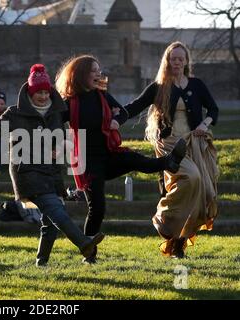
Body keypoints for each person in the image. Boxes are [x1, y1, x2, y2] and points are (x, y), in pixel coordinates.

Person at [55, 54, 187, 264]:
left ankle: (169, 162)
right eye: (94, 71)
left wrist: (116, 120)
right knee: (97, 208)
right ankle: (90, 254)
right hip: (88, 163)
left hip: (109, 154)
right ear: (81, 75)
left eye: (99, 70)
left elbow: (124, 111)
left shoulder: (102, 96)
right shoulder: (69, 103)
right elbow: (52, 123)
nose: (99, 74)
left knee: (136, 159)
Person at [0, 64, 106, 266]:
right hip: (27, 172)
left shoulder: (55, 112)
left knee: (50, 221)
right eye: (39, 92)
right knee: (55, 210)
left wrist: (58, 148)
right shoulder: (14, 113)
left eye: (46, 92)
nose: (43, 96)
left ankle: (41, 262)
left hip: (50, 172)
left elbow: (61, 137)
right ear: (30, 92)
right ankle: (83, 243)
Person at [117, 42, 219, 258]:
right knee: (192, 178)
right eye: (173, 59)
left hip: (193, 143)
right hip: (170, 145)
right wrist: (116, 119)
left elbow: (213, 109)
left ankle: (178, 242)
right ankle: (163, 217)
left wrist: (203, 124)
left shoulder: (196, 84)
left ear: (186, 61)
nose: (177, 62)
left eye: (181, 59)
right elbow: (136, 106)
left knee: (203, 192)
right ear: (167, 61)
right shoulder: (159, 87)